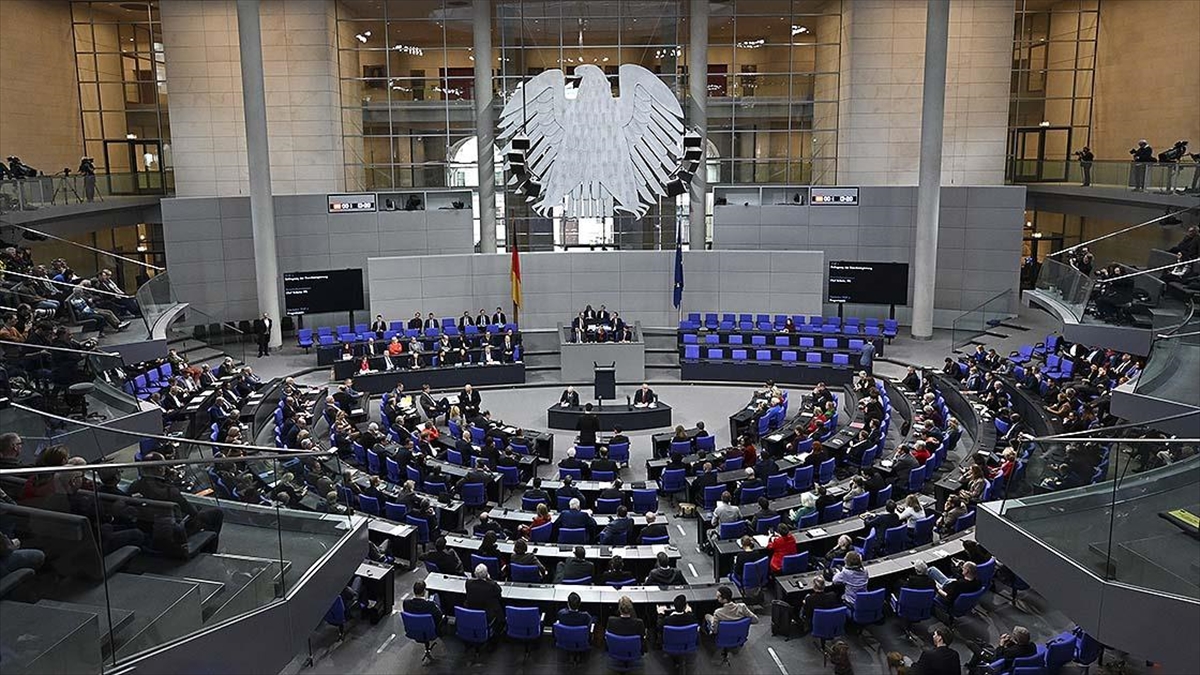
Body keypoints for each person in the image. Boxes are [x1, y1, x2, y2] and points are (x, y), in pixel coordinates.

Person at [966, 625, 1039, 672]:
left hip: (996, 660)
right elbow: (1018, 648)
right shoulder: (1032, 646)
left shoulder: (1010, 652)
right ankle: (972, 665)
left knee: (971, 644)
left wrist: (1001, 644)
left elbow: (998, 655)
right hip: (1011, 659)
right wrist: (1010, 643)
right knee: (984, 646)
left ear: (1016, 639)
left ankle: (972, 667)